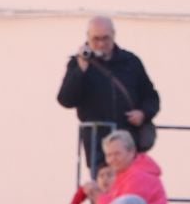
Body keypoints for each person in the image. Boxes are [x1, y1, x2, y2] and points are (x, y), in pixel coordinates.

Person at [56, 14, 161, 172]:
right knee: (104, 191)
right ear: (88, 38)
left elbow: (151, 96)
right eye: (95, 39)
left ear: (113, 36)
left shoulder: (131, 62)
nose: (101, 44)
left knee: (131, 188)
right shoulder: (78, 64)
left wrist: (143, 113)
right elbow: (65, 100)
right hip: (98, 145)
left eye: (105, 38)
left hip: (129, 142)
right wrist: (81, 70)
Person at [94, 131, 168, 204]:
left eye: (117, 154)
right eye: (109, 155)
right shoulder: (121, 174)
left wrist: (99, 197)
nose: (112, 159)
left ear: (131, 152)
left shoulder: (139, 177)